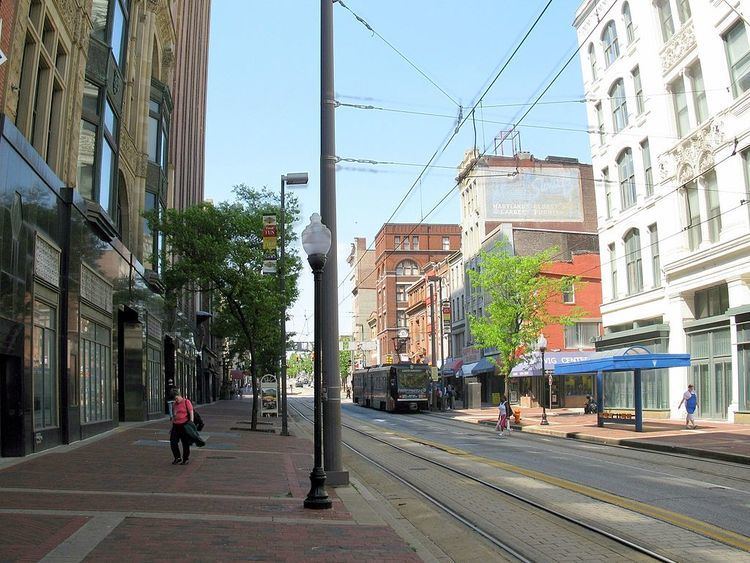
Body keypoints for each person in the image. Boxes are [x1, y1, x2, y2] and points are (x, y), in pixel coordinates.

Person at [170, 390, 195, 465]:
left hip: (184, 425)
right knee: (173, 442)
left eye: (176, 398)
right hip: (176, 425)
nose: (176, 400)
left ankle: (185, 459)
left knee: (185, 443)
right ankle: (177, 457)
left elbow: (191, 412)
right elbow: (174, 414)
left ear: (179, 395)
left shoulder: (186, 402)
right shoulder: (175, 404)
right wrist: (173, 419)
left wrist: (191, 422)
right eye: (175, 399)